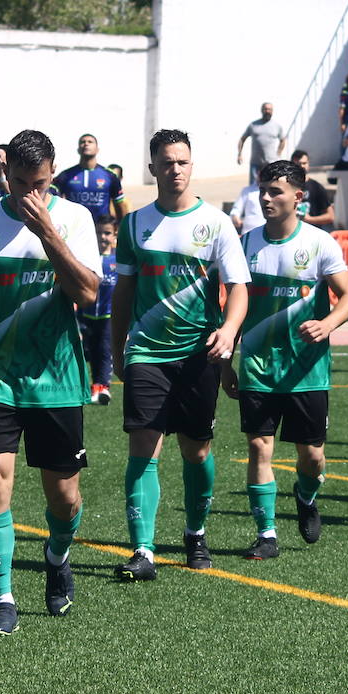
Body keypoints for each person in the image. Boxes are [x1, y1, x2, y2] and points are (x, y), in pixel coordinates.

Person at [0, 129, 100, 636]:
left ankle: (56, 554)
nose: (29, 196)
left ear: (53, 174)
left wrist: (48, 232)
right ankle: (2, 598)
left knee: (65, 499)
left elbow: (87, 293)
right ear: (3, 170)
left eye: (39, 184)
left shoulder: (75, 218)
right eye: (20, 183)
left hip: (58, 378)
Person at [111, 128, 249, 579]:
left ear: (192, 166)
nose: (175, 170)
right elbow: (124, 291)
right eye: (167, 162)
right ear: (152, 168)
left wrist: (229, 330)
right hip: (148, 353)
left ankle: (195, 533)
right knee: (143, 450)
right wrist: (117, 349)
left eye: (182, 162)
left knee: (196, 451)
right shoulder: (134, 224)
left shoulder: (215, 223)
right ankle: (143, 550)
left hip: (199, 356)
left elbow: (239, 289)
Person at [222, 160, 348, 558]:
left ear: (299, 197)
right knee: (259, 447)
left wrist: (327, 323)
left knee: (311, 457)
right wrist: (225, 362)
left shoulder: (319, 243)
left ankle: (306, 494)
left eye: (275, 191)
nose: (265, 197)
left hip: (307, 370)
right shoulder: (245, 244)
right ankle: (266, 535)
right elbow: (228, 305)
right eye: (263, 190)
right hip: (258, 368)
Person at [78, 215, 118, 405]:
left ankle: (103, 387)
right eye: (99, 233)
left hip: (108, 316)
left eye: (107, 233)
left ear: (114, 235)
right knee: (88, 351)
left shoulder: (118, 261)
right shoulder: (88, 257)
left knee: (104, 350)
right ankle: (90, 386)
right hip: (86, 314)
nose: (102, 237)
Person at [54, 133, 128, 222]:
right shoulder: (65, 175)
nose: (86, 144)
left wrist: (121, 227)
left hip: (101, 230)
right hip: (75, 228)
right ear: (78, 150)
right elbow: (53, 201)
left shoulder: (110, 175)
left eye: (90, 142)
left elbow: (120, 204)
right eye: (82, 142)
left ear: (97, 149)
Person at [237, 102, 286, 185]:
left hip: (271, 162)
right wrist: (239, 154)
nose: (267, 111)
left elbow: (283, 140)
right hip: (255, 163)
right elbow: (242, 139)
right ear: (262, 110)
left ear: (272, 111)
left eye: (269, 109)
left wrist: (278, 154)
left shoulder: (277, 126)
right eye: (265, 109)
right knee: (253, 187)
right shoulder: (253, 125)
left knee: (271, 185)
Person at [290, 150, 335, 228]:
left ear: (308, 164)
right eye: (298, 164)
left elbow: (330, 216)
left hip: (311, 232)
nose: (301, 166)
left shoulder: (316, 187)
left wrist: (309, 219)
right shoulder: (286, 186)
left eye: (304, 163)